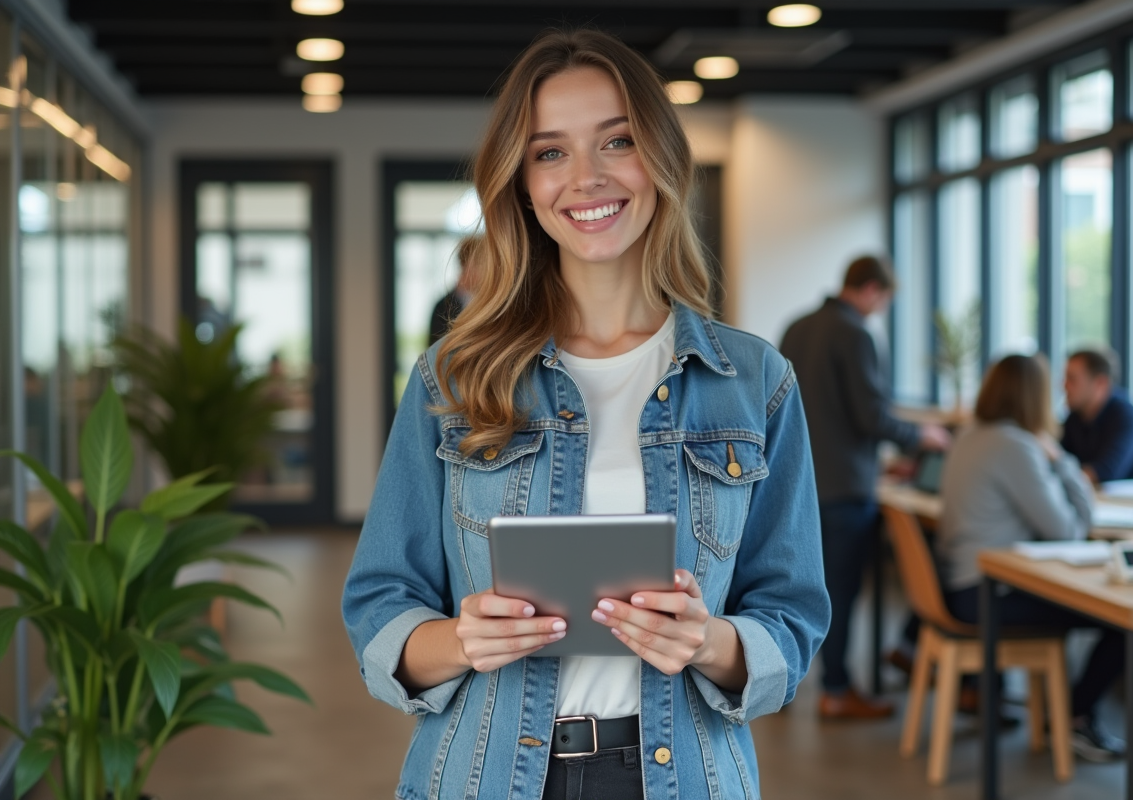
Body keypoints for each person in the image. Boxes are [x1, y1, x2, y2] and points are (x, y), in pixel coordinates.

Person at [343, 30, 830, 800]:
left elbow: (792, 618)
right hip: (485, 776)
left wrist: (708, 641)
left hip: (686, 779)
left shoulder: (755, 382)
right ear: (522, 184)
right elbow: (379, 608)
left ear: (661, 159)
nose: (587, 177)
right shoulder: (452, 377)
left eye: (617, 141)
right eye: (550, 152)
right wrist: (462, 639)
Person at [779, 256, 950, 720]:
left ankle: (780, 684)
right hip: (844, 490)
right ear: (873, 289)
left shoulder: (797, 328)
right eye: (886, 300)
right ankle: (836, 690)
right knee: (840, 592)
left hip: (797, 485)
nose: (881, 310)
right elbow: (868, 414)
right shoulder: (856, 334)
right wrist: (922, 436)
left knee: (790, 588)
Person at [938, 354, 1126, 762]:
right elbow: (1069, 529)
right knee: (1123, 622)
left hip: (961, 586)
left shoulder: (972, 433)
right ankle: (1074, 716)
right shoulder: (1015, 444)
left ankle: (1063, 712)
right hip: (985, 597)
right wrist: (1060, 457)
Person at [1061, 348, 1133, 484]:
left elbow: (1105, 472)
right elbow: (1063, 460)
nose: (1064, 386)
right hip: (1097, 499)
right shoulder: (1075, 417)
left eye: (1072, 379)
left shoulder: (1125, 416)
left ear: (1100, 383)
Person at [428, 233, 483, 346]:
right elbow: (435, 353)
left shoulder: (490, 303)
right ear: (466, 265)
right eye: (480, 263)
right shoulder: (443, 307)